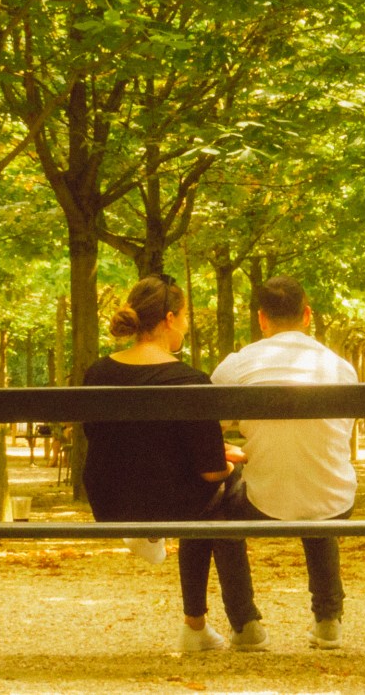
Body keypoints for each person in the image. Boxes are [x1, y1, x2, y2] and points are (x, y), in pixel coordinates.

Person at [82, 274, 267, 653]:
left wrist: (214, 453)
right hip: (170, 502)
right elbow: (211, 473)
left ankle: (198, 625)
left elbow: (110, 441)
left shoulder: (96, 373)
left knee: (210, 504)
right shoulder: (189, 380)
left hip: (110, 500)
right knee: (225, 494)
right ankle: (225, 623)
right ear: (168, 319)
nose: (186, 324)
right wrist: (229, 460)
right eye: (184, 317)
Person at [212, 275, 358, 649]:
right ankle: (328, 621)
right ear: (307, 315)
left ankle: (245, 626)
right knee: (317, 485)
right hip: (333, 501)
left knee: (220, 511)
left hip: (266, 502)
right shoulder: (341, 368)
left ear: (262, 319)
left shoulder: (237, 365)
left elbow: (208, 429)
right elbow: (338, 437)